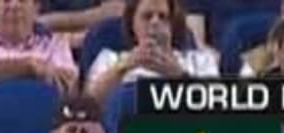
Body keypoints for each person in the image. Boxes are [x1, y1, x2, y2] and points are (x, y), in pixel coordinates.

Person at [83, 0, 216, 102]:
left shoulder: (200, 60)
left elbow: (216, 107)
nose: (155, 22)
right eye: (147, 16)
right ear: (132, 24)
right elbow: (90, 104)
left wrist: (179, 76)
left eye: (163, 17)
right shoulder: (110, 59)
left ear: (173, 24)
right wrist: (123, 67)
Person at [0, 0, 80, 90]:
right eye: (6, 1)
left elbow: (70, 88)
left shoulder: (55, 46)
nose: (14, 5)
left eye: (22, 1)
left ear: (36, 8)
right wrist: (28, 66)